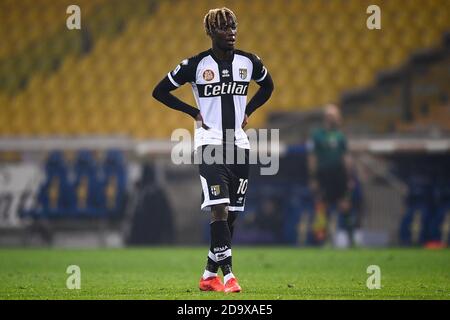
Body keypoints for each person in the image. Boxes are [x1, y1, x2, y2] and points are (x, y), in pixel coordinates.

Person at [152, 7, 274, 293]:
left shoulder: (249, 61)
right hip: (209, 145)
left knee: (231, 214)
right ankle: (229, 276)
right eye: (223, 28)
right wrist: (193, 112)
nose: (231, 32)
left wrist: (249, 111)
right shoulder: (194, 65)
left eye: (233, 27)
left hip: (239, 145)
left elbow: (268, 87)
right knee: (219, 208)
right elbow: (159, 91)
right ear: (210, 33)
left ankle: (209, 274)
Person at [308, 104, 355, 247]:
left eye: (335, 115)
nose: (333, 118)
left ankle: (351, 240)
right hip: (324, 175)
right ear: (326, 117)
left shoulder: (341, 136)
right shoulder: (317, 136)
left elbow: (346, 157)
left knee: (345, 206)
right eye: (331, 115)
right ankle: (323, 240)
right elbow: (312, 158)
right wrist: (313, 177)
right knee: (323, 208)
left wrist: (349, 177)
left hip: (339, 175)